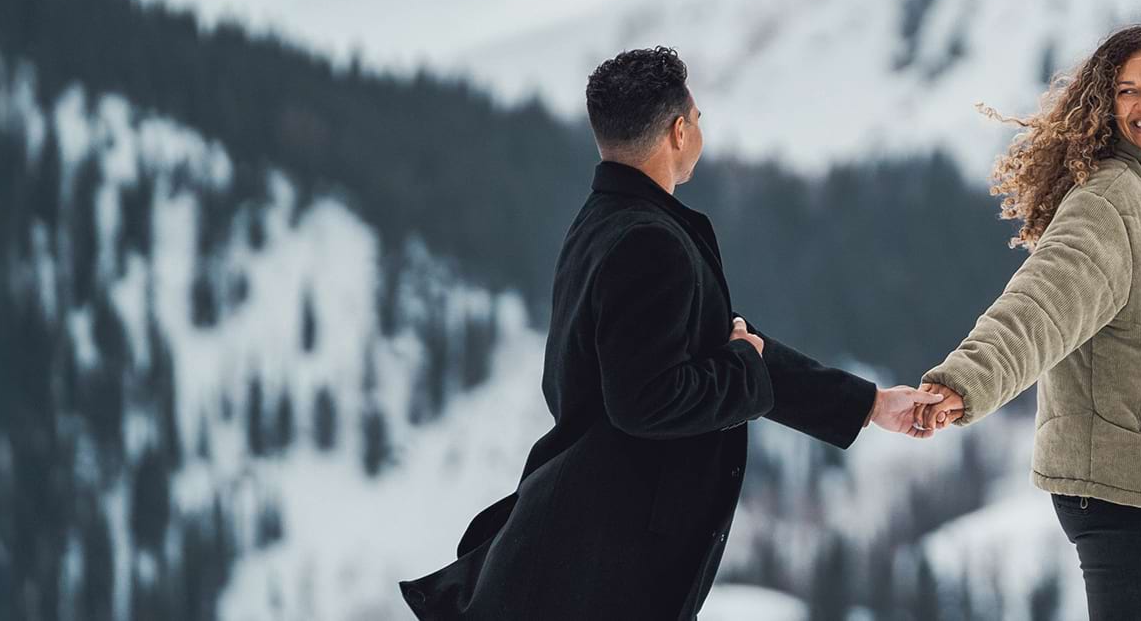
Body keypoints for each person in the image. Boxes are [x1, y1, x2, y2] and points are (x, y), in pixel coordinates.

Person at [398, 46, 945, 620]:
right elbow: (649, 399)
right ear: (679, 132)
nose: (701, 128)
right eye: (699, 118)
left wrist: (871, 404)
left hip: (584, 537)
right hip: (605, 561)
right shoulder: (648, 242)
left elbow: (731, 347)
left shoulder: (603, 221)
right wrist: (743, 365)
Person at [913, 20, 1141, 620]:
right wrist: (965, 379)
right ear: (1107, 101)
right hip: (1123, 482)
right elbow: (1042, 303)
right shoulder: (1110, 200)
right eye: (1127, 91)